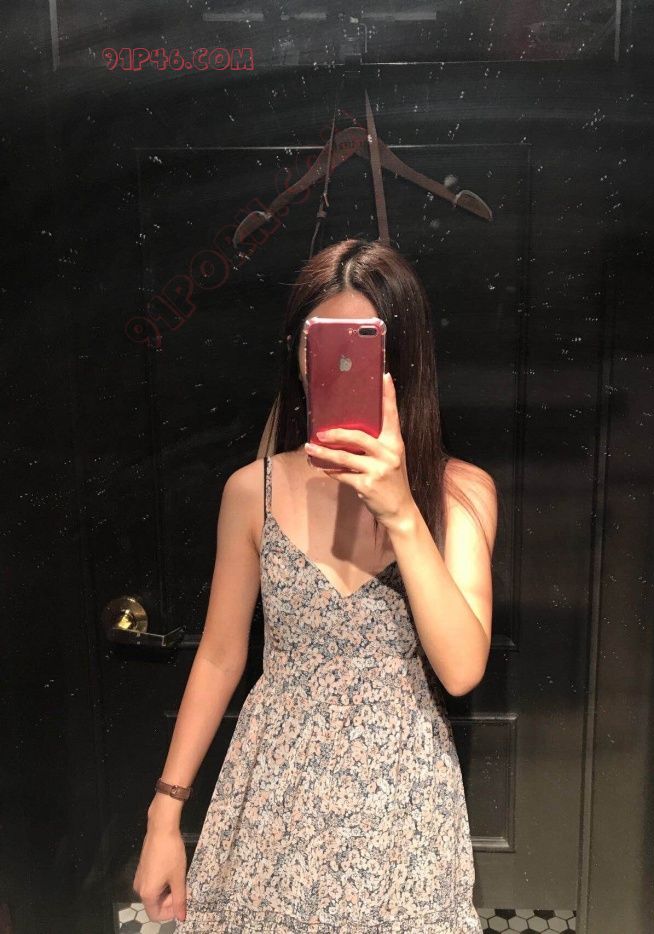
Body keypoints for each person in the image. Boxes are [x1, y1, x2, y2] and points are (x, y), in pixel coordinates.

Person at [133, 238, 498, 931]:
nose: (338, 364)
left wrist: (401, 511)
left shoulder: (460, 495)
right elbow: (219, 656)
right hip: (273, 795)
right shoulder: (254, 492)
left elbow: (461, 670)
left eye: (365, 346)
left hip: (401, 806)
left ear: (403, 358)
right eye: (319, 344)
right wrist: (163, 815)